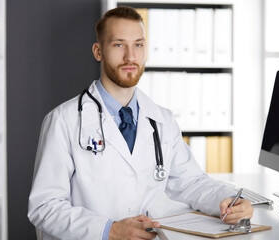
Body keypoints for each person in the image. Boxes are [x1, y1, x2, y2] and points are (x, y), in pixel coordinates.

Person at [28, 6, 253, 240]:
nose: (130, 57)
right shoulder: (63, 120)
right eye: (118, 45)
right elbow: (45, 206)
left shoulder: (161, 120)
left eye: (138, 44)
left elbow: (192, 182)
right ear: (98, 51)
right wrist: (110, 230)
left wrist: (228, 200)